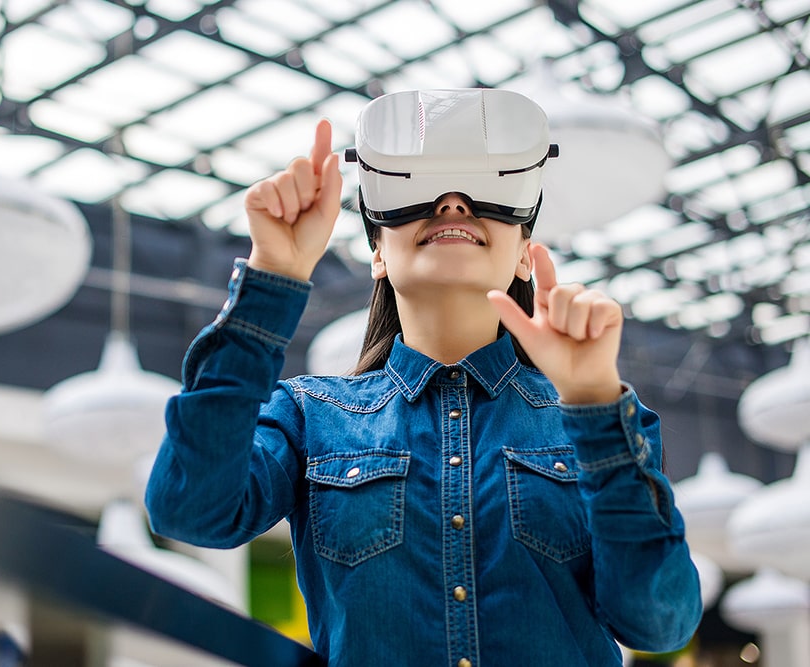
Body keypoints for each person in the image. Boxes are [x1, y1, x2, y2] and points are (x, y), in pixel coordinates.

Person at [145, 88, 702, 667]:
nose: (454, 203)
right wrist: (271, 278)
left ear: (523, 256)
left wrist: (593, 406)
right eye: (420, 189)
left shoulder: (605, 425)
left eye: (483, 193)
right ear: (378, 256)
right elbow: (189, 507)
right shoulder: (309, 419)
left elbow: (659, 622)